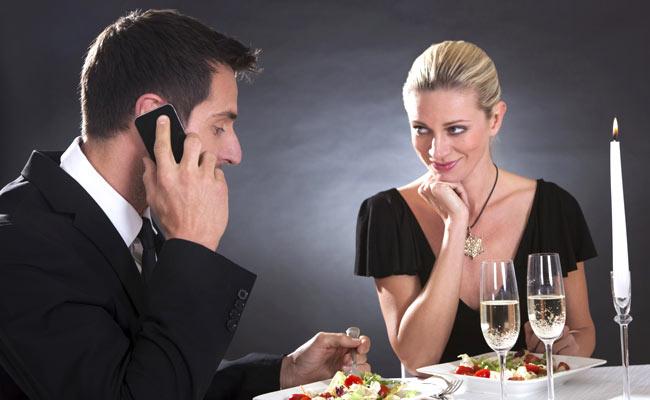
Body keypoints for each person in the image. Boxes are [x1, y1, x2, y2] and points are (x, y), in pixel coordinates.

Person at [0, 9, 370, 400]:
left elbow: (152, 376)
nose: (235, 152)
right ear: (154, 119)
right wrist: (192, 246)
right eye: (219, 126)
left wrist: (283, 373)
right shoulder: (17, 244)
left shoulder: (134, 229)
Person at [354, 40, 596, 374]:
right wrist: (455, 226)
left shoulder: (554, 208)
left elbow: (583, 331)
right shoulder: (387, 213)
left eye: (455, 129)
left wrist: (570, 349)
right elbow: (417, 359)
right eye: (421, 129)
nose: (437, 151)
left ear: (495, 118)